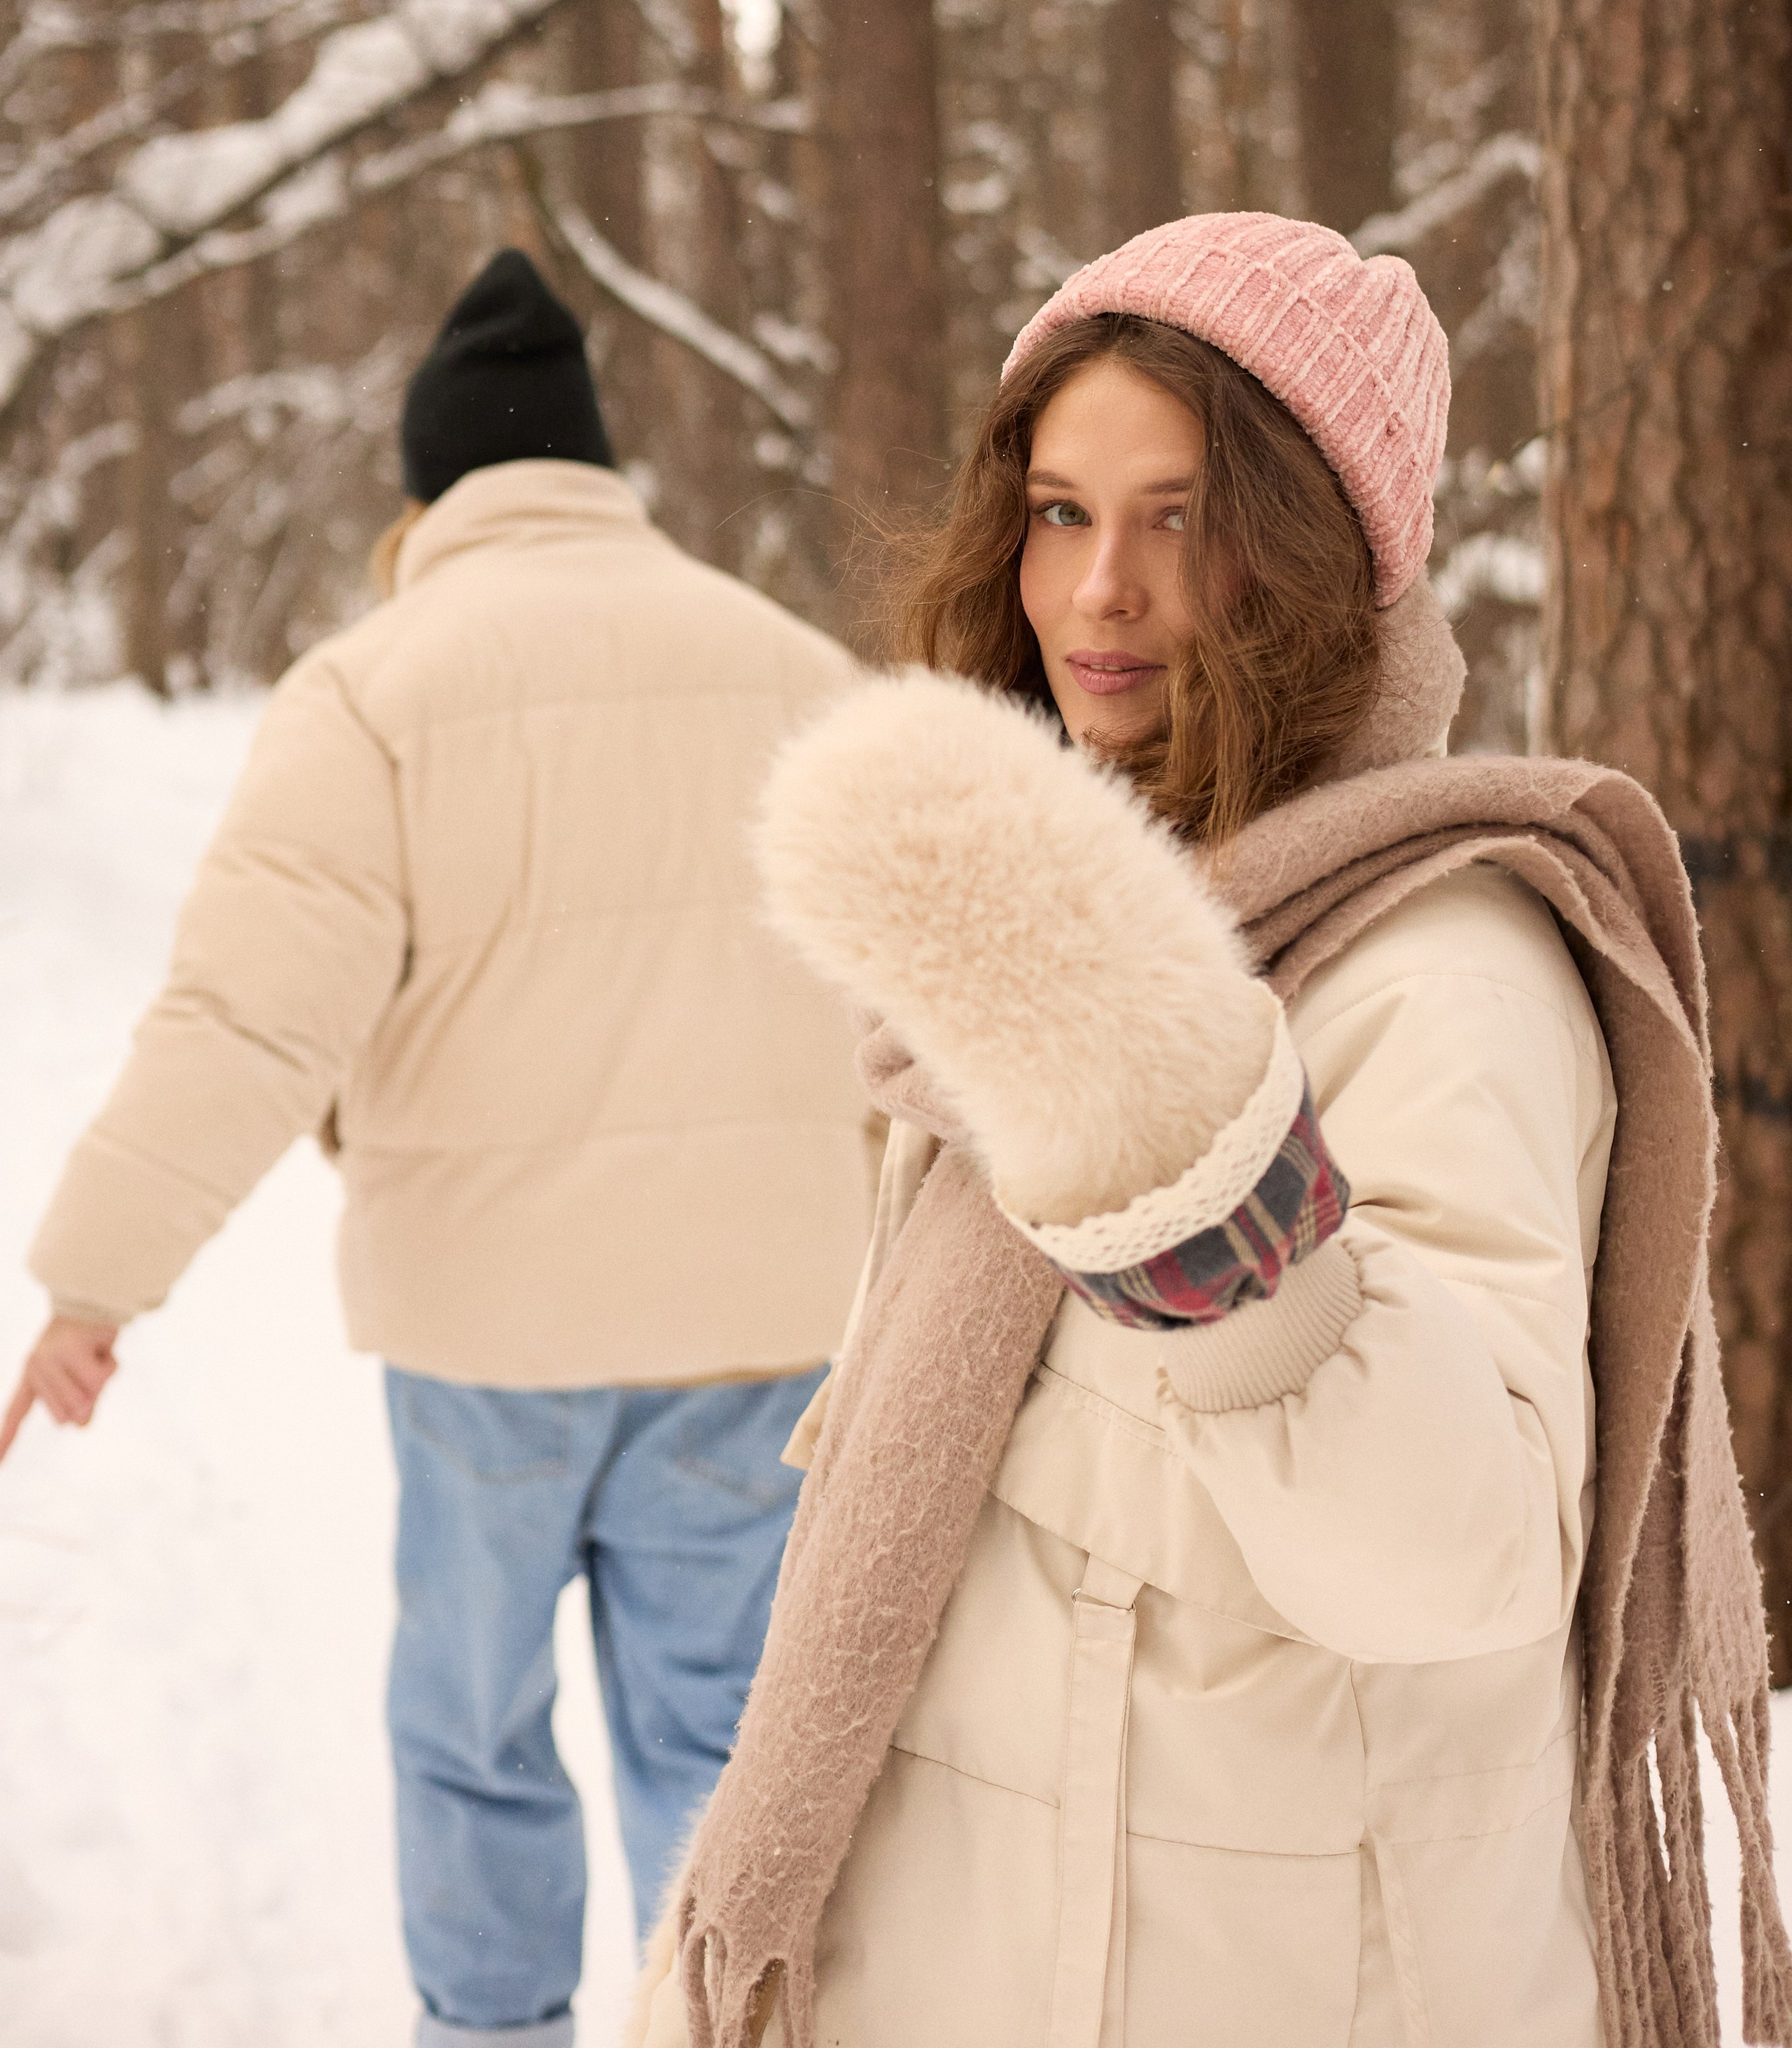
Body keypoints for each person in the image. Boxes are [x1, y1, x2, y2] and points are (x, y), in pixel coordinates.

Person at [636, 211, 1792, 2048]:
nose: (1100, 592)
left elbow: (1463, 1554)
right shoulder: (1092, 915)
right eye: (1062, 510)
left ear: (1324, 555)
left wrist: (1213, 1205)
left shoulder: (1445, 966)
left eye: (1182, 516)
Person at [4, 248, 874, 2048]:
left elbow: (248, 1020)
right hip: (758, 1328)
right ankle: (724, 2024)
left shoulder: (375, 690)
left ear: (430, 495)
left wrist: (100, 1280)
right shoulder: (793, 670)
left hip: (491, 1344)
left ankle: (493, 2038)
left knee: (471, 1733)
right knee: (718, 1737)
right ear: (591, 469)